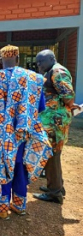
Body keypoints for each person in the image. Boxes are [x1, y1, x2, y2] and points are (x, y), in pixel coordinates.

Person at [0, 45, 52, 219]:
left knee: (0, 168)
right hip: (21, 135)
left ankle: (1, 208)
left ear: (1, 60)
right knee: (20, 167)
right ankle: (19, 205)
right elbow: (39, 108)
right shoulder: (33, 78)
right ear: (17, 60)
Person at [33, 50, 80, 204]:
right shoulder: (51, 71)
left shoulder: (57, 71)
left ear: (51, 59)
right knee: (51, 154)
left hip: (55, 121)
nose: (39, 64)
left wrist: (63, 109)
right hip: (51, 120)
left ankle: (55, 193)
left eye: (41, 61)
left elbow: (68, 96)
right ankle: (56, 186)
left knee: (52, 155)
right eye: (37, 62)